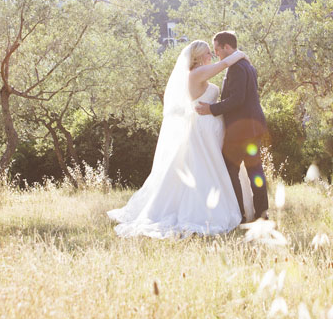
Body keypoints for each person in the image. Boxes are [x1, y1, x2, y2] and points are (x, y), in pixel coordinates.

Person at [107, 40, 247, 238]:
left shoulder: (201, 73)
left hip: (210, 131)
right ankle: (205, 212)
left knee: (214, 167)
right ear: (198, 57)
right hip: (200, 132)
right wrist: (240, 54)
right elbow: (223, 65)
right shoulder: (196, 73)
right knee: (203, 168)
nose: (212, 55)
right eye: (208, 53)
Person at [196, 31, 269, 223]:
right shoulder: (246, 65)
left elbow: (236, 99)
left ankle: (240, 214)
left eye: (217, 50)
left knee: (230, 170)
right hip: (252, 127)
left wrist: (211, 109)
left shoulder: (237, 68)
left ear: (227, 47)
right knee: (255, 170)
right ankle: (262, 213)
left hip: (240, 130)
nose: (217, 54)